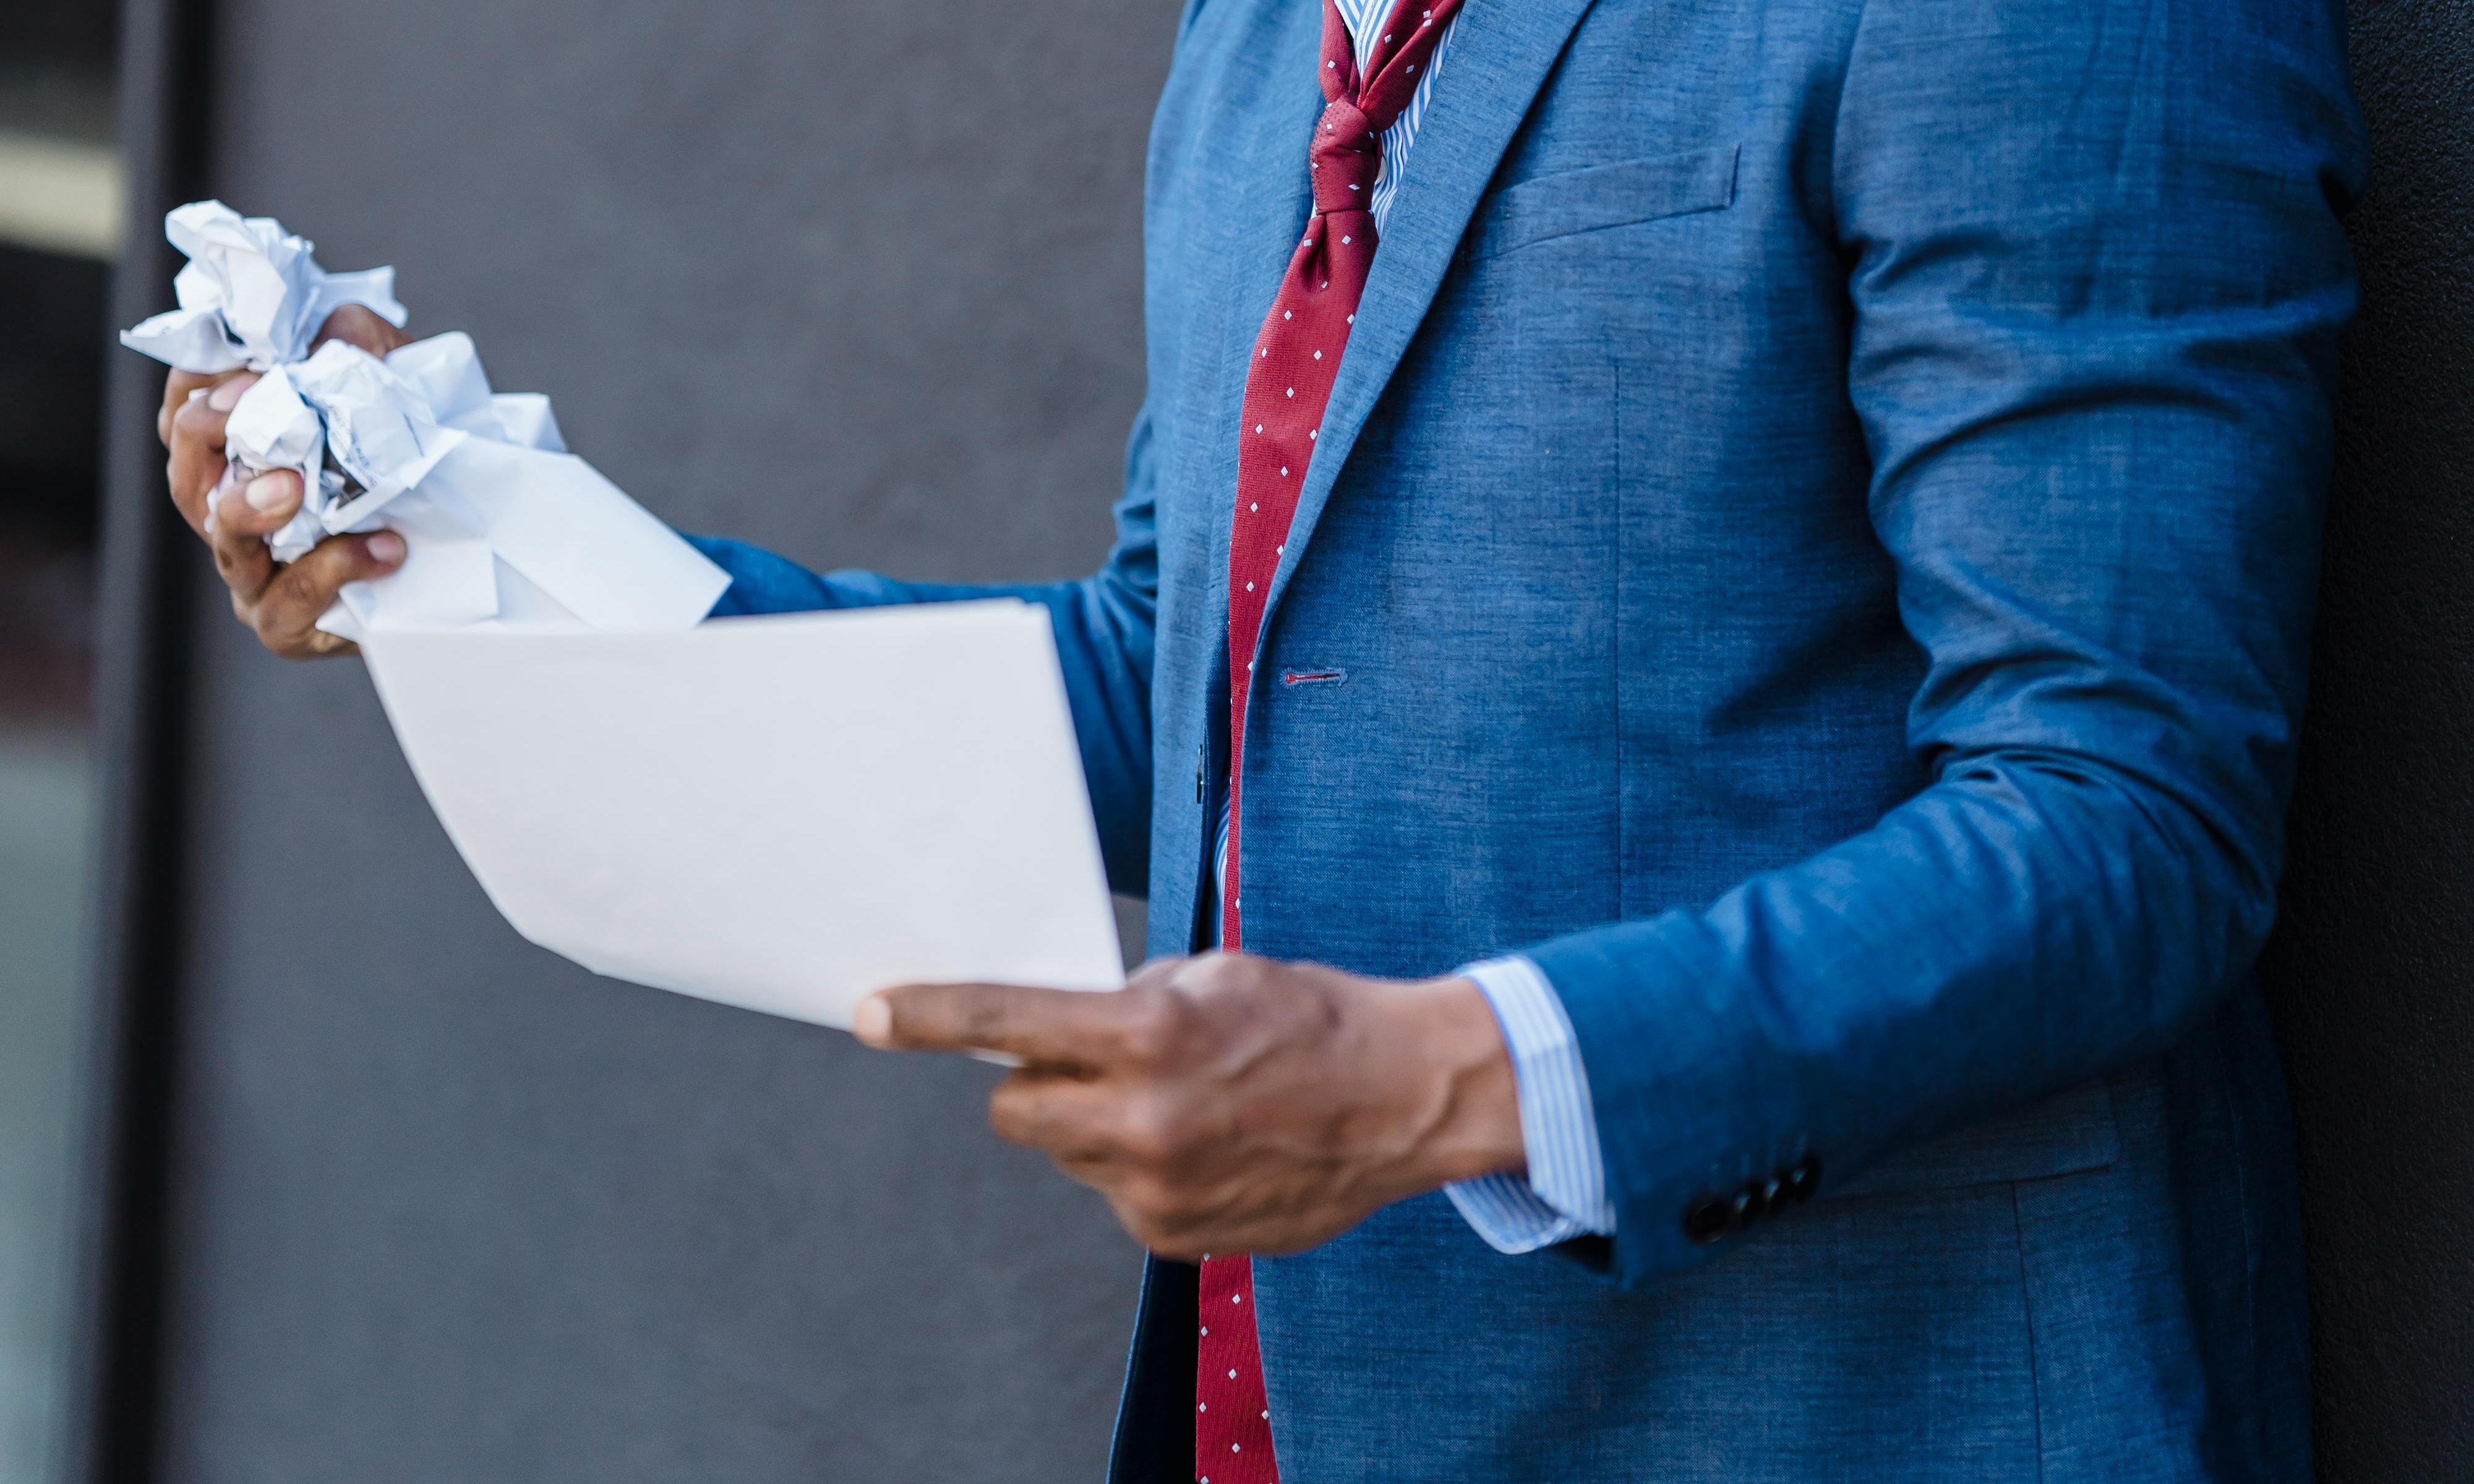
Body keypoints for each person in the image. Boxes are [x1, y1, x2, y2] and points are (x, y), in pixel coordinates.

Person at [156, 0, 2363, 1478]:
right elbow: (1171, 679)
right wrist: (480, 551)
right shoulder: (1250, 41)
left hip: (1851, 1416)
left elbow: (2126, 816)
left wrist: (1447, 1079)